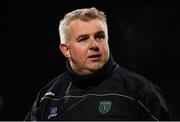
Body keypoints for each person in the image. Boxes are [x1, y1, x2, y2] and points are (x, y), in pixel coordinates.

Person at [25, 7, 169, 120]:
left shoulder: (141, 92)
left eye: (100, 37)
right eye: (83, 39)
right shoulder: (47, 97)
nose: (94, 45)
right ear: (66, 49)